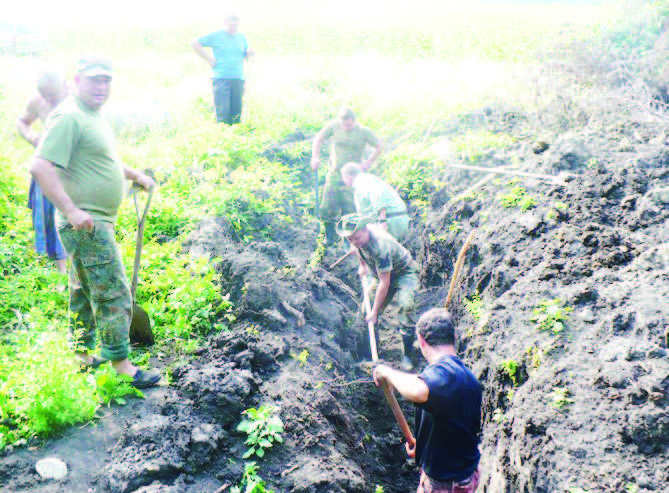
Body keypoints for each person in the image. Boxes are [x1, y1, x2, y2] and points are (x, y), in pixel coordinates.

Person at [29, 55, 161, 388]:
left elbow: (103, 159)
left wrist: (134, 175)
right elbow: (40, 166)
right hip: (87, 224)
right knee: (112, 291)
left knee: (82, 291)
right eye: (94, 80)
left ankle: (82, 355)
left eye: (106, 80)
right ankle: (121, 365)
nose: (101, 87)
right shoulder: (69, 116)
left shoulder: (92, 115)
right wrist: (72, 210)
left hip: (91, 222)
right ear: (76, 81)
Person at [373, 308, 482, 493]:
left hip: (447, 484)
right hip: (460, 474)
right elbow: (451, 424)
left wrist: (386, 371)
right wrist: (423, 447)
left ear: (421, 340)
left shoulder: (446, 373)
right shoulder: (463, 375)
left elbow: (417, 390)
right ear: (453, 337)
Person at [336, 213, 419, 369]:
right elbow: (356, 247)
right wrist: (362, 266)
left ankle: (408, 355)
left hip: (404, 272)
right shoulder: (356, 238)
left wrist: (375, 312)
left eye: (356, 238)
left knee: (405, 307)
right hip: (381, 273)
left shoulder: (380, 246)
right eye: (350, 239)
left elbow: (384, 283)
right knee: (365, 312)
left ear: (365, 230)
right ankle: (371, 354)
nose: (353, 242)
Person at [16, 67, 70, 274]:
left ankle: (82, 264)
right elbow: (22, 121)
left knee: (76, 213)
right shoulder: (37, 101)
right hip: (47, 165)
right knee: (50, 214)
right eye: (44, 95)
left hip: (74, 167)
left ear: (65, 85)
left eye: (53, 95)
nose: (49, 99)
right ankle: (60, 267)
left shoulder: (78, 101)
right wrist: (31, 136)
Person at [311, 107, 385, 245]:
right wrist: (315, 157)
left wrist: (368, 162)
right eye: (343, 124)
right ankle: (330, 238)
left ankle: (349, 239)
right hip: (335, 173)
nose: (346, 127)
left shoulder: (363, 131)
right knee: (327, 205)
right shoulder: (334, 126)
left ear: (354, 121)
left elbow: (380, 145)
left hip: (353, 176)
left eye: (348, 125)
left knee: (350, 208)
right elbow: (318, 138)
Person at [191, 13, 255, 125]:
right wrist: (209, 59)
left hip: (238, 78)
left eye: (236, 26)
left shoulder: (241, 37)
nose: (233, 28)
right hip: (221, 78)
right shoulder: (216, 35)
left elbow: (245, 56)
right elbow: (195, 43)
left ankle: (235, 132)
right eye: (231, 25)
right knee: (223, 111)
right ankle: (222, 131)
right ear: (225, 23)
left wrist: (249, 53)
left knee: (236, 112)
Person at [340, 161, 409, 241]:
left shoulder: (362, 181)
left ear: (348, 176)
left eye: (343, 177)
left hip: (391, 220)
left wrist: (382, 222)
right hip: (394, 219)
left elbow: (379, 195)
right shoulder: (365, 180)